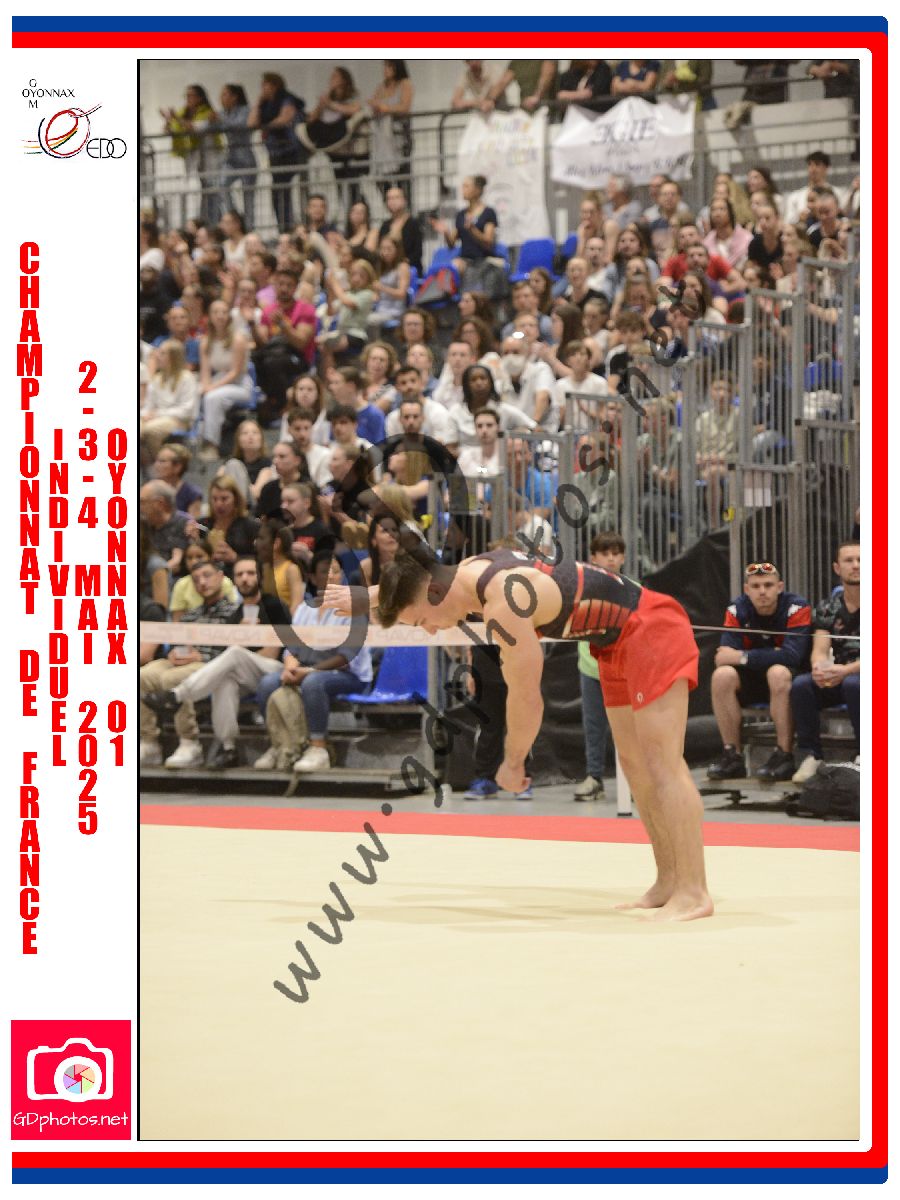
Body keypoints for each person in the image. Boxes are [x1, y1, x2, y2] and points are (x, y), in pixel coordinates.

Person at [328, 539, 712, 921]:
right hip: (613, 641)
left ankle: (694, 892)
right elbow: (421, 572)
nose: (429, 632)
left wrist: (512, 762)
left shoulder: (505, 604)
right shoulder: (466, 572)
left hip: (650, 627)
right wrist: (370, 596)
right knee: (635, 766)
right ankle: (669, 880)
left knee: (662, 766)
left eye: (421, 621)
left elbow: (527, 698)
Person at [143, 557, 291, 768]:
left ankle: (177, 695)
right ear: (234, 580)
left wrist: (247, 638)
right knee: (224, 681)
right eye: (240, 575)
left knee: (235, 653)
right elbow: (222, 657)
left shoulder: (273, 605)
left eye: (250, 573)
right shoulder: (236, 614)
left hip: (275, 669)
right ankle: (228, 747)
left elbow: (271, 653)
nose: (245, 579)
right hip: (243, 674)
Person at [255, 554, 374, 773]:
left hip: (349, 675)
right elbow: (292, 648)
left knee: (314, 683)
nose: (331, 576)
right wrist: (290, 666)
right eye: (324, 571)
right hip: (308, 670)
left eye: (336, 571)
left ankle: (318, 748)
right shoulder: (304, 609)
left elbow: (346, 658)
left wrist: (308, 671)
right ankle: (280, 744)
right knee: (267, 683)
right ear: (312, 577)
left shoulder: (353, 609)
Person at [708, 562, 812, 783]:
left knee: (777, 672)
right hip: (754, 681)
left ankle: (784, 755)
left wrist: (743, 656)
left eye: (768, 585)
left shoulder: (797, 607)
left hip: (789, 681)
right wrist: (772, 653)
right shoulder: (736, 609)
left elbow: (793, 656)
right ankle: (732, 756)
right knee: (722, 676)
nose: (762, 591)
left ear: (780, 587)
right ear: (747, 589)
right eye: (756, 586)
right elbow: (723, 657)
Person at [139, 558, 242, 769]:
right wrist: (174, 653)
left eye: (207, 576)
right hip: (183, 662)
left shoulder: (235, 613)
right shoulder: (190, 615)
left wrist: (201, 657)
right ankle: (149, 741)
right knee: (143, 675)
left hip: (211, 665)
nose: (202, 582)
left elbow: (236, 652)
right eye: (196, 579)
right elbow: (176, 643)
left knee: (172, 678)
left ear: (220, 577)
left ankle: (189, 742)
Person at [790, 542, 861, 782]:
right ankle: (811, 755)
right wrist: (820, 668)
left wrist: (846, 670)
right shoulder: (828, 607)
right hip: (840, 674)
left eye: (861, 560)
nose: (856, 565)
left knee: (854, 684)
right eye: (849, 560)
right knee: (802, 685)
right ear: (837, 568)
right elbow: (820, 648)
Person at [573, 533, 627, 800]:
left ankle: (635, 781)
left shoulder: (633, 590)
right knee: (594, 727)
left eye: (616, 553)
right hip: (591, 669)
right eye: (605, 554)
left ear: (623, 558)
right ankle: (594, 777)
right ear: (593, 558)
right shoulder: (582, 589)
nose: (611, 559)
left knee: (629, 728)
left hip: (623, 671)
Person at [248, 73, 307, 233]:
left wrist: (266, 127)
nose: (262, 88)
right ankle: (283, 226)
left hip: (290, 151)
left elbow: (285, 118)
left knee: (288, 190)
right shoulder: (265, 104)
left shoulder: (287, 99)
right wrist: (258, 103)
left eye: (265, 85)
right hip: (274, 154)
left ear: (274, 86)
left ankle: (292, 226)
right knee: (277, 192)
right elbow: (251, 123)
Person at [160, 84, 224, 224]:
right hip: (192, 158)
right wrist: (168, 120)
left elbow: (195, 127)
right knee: (200, 191)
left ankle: (214, 221)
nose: (187, 99)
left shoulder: (207, 112)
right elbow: (174, 129)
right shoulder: (184, 112)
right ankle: (204, 221)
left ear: (200, 98)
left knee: (211, 190)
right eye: (186, 96)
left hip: (210, 157)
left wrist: (176, 118)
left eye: (190, 96)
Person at [197, 299, 253, 458]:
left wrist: (211, 388)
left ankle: (211, 444)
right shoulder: (205, 342)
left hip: (240, 384)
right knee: (197, 392)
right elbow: (205, 372)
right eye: (216, 312)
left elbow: (235, 372)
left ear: (229, 316)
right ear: (209, 316)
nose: (220, 316)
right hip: (219, 380)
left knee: (212, 397)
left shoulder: (238, 339)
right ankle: (195, 437)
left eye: (224, 312)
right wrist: (205, 386)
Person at [140, 339, 199, 459]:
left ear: (173, 357)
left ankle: (160, 462)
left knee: (150, 430)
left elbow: (186, 410)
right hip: (156, 417)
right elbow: (149, 405)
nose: (158, 356)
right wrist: (144, 414)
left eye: (162, 353)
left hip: (178, 420)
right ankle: (146, 464)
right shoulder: (157, 378)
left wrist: (157, 414)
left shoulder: (187, 378)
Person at [432, 175, 497, 277]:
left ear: (477, 190)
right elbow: (451, 244)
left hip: (483, 260)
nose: (463, 190)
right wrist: (446, 232)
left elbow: (488, 242)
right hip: (465, 260)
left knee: (457, 266)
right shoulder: (461, 214)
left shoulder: (488, 212)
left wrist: (473, 230)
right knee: (451, 267)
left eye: (466, 186)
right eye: (463, 186)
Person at [368, 60, 413, 192]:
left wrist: (387, 108)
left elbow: (405, 107)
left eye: (389, 66)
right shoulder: (381, 87)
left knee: (401, 175)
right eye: (385, 67)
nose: (385, 70)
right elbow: (374, 103)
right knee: (382, 179)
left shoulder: (405, 84)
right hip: (381, 136)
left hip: (398, 135)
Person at [217, 84, 256, 230]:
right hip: (231, 158)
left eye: (225, 94)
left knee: (248, 196)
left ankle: (249, 227)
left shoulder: (245, 110)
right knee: (222, 184)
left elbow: (240, 125)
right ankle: (233, 219)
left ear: (234, 97)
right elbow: (210, 125)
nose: (221, 98)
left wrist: (220, 121)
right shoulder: (222, 113)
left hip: (246, 158)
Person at [169, 538, 239, 619]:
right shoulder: (181, 584)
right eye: (189, 558)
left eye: (199, 556)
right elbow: (177, 621)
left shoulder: (225, 582)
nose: (194, 561)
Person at [206, 473, 260, 572]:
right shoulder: (202, 525)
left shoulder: (251, 526)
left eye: (224, 499)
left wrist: (236, 558)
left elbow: (263, 560)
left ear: (236, 499)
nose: (219, 504)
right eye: (214, 499)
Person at [140, 480, 190, 575]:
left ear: (159, 504)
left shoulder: (184, 524)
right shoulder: (143, 524)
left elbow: (176, 563)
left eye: (142, 502)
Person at [367, 236, 411, 335]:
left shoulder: (402, 267)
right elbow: (377, 296)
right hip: (380, 309)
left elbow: (402, 294)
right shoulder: (382, 267)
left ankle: (374, 344)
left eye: (389, 249)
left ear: (397, 250)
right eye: (382, 249)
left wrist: (382, 288)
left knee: (368, 320)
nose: (385, 252)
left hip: (395, 312)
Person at [377, 185, 423, 274]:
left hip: (409, 270)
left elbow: (417, 253)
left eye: (396, 197)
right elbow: (380, 250)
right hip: (387, 270)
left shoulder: (413, 223)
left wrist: (402, 264)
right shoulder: (385, 225)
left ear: (405, 201)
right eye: (389, 198)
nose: (392, 201)